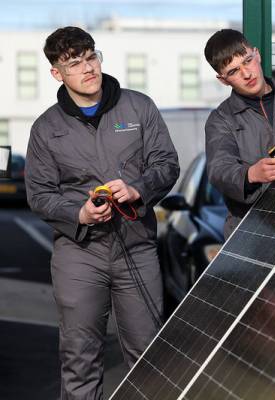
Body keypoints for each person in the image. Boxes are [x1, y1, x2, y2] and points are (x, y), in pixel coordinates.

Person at [25, 26, 179, 399]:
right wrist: (78, 214)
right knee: (80, 359)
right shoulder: (46, 128)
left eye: (91, 56)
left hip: (136, 247)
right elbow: (39, 194)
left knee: (148, 355)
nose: (88, 68)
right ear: (57, 74)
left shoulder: (138, 107)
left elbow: (167, 164)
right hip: (79, 253)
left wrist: (137, 189)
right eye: (74, 63)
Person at [204, 29, 275, 239]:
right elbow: (219, 169)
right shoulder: (221, 119)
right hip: (252, 234)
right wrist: (251, 175)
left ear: (257, 54)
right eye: (233, 71)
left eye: (247, 61)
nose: (246, 74)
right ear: (223, 80)